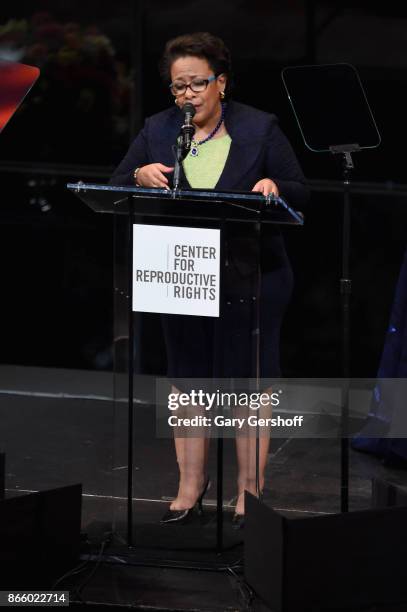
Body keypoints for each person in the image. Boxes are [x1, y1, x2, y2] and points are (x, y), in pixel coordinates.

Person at [110, 32, 309, 525]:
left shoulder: (259, 128)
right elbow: (114, 185)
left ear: (221, 82)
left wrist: (274, 185)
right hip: (182, 275)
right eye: (178, 87)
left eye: (197, 84)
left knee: (247, 386)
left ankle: (249, 493)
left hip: (251, 276)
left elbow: (302, 190)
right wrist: (139, 176)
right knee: (188, 383)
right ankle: (190, 486)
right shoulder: (159, 130)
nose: (187, 96)